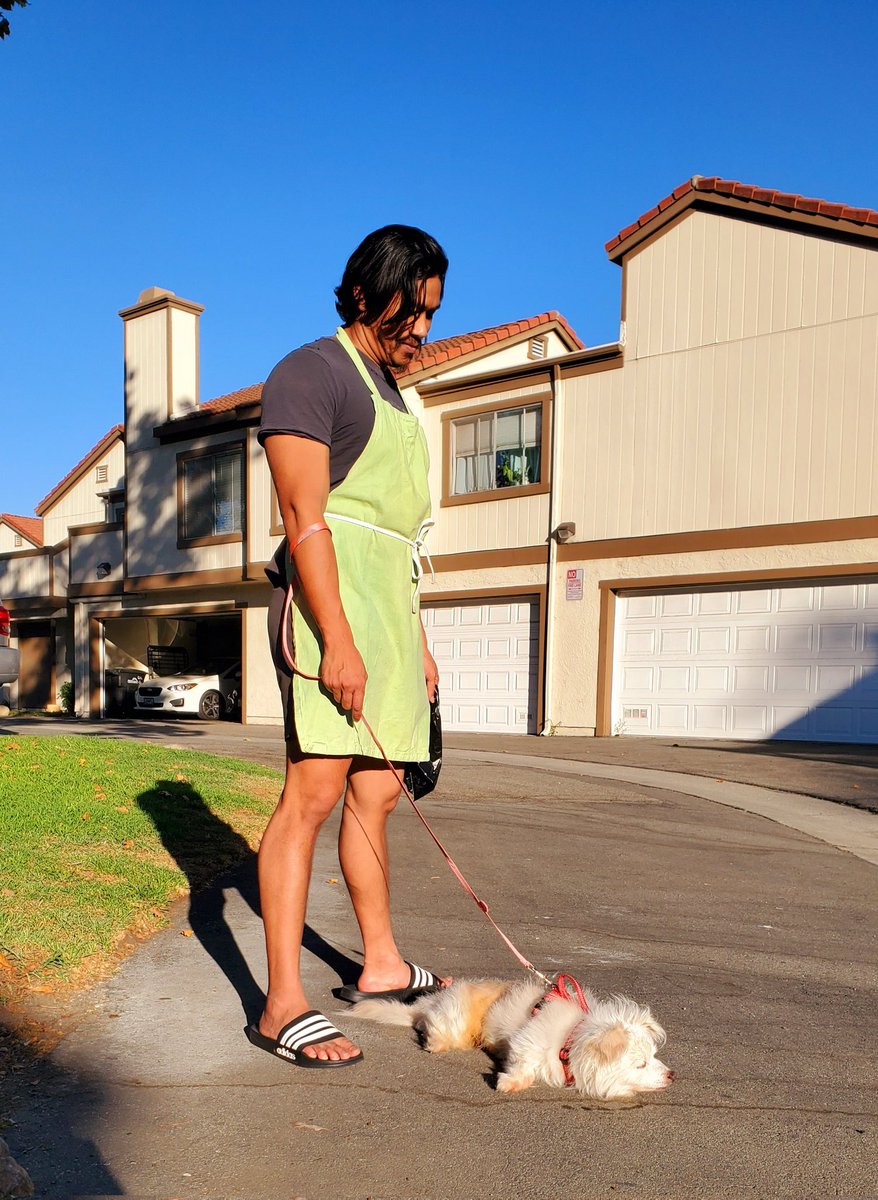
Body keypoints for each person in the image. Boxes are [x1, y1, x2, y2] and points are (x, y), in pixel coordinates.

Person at [247, 225, 450, 1068]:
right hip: (328, 607)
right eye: (410, 309)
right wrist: (337, 638)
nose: (422, 328)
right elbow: (305, 521)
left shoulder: (401, 400)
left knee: (379, 793)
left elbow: (398, 542)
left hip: (389, 613)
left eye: (432, 313)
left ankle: (382, 964)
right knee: (315, 791)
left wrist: (418, 644)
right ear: (365, 294)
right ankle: (281, 1004)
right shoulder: (311, 374)